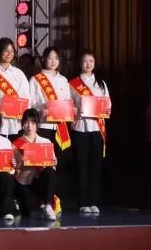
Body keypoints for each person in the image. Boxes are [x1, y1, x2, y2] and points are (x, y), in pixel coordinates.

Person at [70, 49, 108, 215]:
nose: (88, 64)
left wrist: (105, 110)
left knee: (95, 166)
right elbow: (68, 105)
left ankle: (93, 201)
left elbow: (108, 105)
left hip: (97, 130)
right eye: (85, 61)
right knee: (81, 166)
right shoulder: (73, 84)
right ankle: (82, 202)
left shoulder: (101, 84)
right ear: (80, 63)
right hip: (80, 128)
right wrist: (74, 111)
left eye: (91, 61)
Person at [0, 38, 32, 138]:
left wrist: (21, 111)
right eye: (6, 51)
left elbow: (26, 97)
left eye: (12, 51)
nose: (9, 54)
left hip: (17, 124)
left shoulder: (19, 74)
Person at [13, 108, 59, 220]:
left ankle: (47, 205)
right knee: (29, 213)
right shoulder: (15, 145)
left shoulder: (46, 142)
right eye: (26, 122)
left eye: (33, 122)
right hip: (25, 182)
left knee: (50, 171)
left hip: (41, 180)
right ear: (22, 124)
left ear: (37, 124)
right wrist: (19, 164)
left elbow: (52, 166)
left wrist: (54, 162)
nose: (29, 126)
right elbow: (13, 171)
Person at [29, 46, 71, 148]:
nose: (53, 61)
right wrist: (39, 112)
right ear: (44, 59)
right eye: (50, 58)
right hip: (43, 126)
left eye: (56, 58)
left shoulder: (63, 80)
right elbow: (30, 104)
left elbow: (67, 101)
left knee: (60, 156)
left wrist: (71, 110)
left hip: (61, 126)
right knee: (44, 156)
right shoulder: (35, 79)